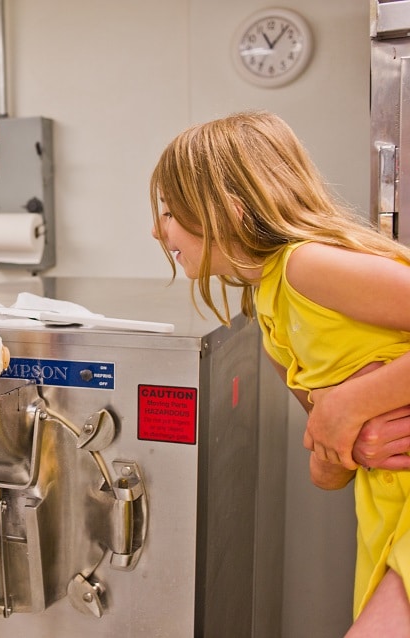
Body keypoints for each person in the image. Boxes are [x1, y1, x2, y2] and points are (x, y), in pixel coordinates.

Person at [148, 110, 410, 636]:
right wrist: (340, 446)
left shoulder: (307, 266)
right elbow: (329, 461)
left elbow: (336, 414)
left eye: (172, 212)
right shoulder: (267, 308)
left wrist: (352, 405)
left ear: (229, 212)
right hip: (385, 512)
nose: (158, 229)